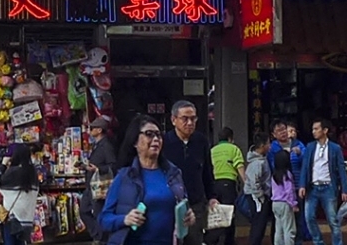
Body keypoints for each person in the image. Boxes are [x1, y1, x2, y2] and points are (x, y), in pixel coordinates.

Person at [100, 119, 186, 245]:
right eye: (149, 134)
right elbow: (104, 219)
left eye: (158, 135)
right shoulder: (124, 177)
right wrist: (125, 219)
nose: (156, 139)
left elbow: (184, 207)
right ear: (135, 142)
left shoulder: (174, 174)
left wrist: (188, 218)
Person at [168, 102, 216, 245]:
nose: (189, 123)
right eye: (185, 118)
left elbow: (207, 172)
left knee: (194, 240)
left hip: (196, 204)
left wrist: (212, 197)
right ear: (174, 120)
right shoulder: (165, 142)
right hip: (170, 204)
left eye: (193, 119)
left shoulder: (201, 141)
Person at [294, 120, 347, 245]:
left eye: (316, 129)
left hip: (328, 187)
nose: (313, 131)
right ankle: (318, 241)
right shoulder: (310, 147)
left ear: (325, 130)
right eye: (313, 129)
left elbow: (341, 169)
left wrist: (345, 190)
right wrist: (302, 185)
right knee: (309, 217)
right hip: (312, 187)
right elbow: (305, 167)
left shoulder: (335, 148)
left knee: (333, 220)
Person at [209, 128, 244, 245]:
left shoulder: (212, 150)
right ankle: (228, 241)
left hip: (214, 185)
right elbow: (239, 166)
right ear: (230, 139)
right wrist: (246, 183)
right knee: (229, 214)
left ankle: (213, 241)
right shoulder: (234, 149)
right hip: (228, 184)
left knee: (215, 214)